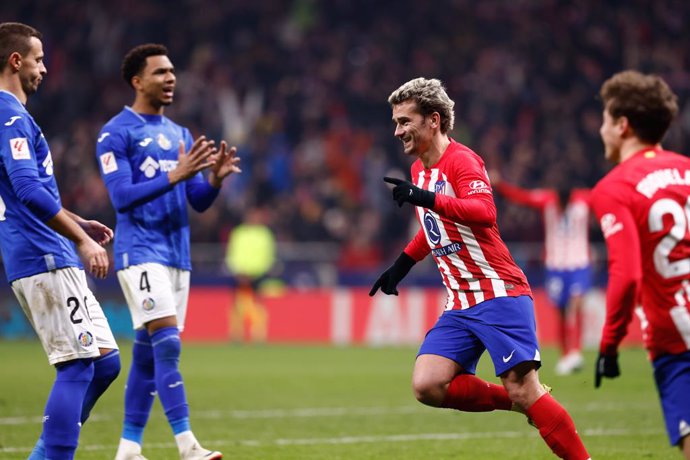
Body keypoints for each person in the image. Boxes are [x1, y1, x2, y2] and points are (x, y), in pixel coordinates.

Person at [370, 77, 590, 459]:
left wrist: (426, 198)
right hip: (460, 302)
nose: (397, 131)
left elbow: (485, 213)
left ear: (433, 120)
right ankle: (521, 402)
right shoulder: (422, 170)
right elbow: (434, 229)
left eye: (405, 121)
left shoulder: (462, 160)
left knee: (524, 387)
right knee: (428, 385)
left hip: (497, 292)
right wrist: (401, 266)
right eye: (396, 122)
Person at [96, 44, 241, 460]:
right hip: (139, 250)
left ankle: (127, 448)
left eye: (172, 71)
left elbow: (195, 201)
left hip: (178, 255)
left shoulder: (179, 135)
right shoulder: (115, 132)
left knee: (147, 353)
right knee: (169, 344)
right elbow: (122, 196)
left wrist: (211, 180)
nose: (171, 78)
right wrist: (176, 173)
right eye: (160, 72)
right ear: (137, 81)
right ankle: (187, 445)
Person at [0, 22, 121, 460]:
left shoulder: (14, 115)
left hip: (50, 249)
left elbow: (24, 194)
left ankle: (44, 453)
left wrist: (76, 221)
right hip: (42, 255)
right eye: (39, 59)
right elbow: (28, 190)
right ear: (16, 61)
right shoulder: (9, 115)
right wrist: (84, 243)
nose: (45, 68)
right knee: (77, 365)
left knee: (106, 362)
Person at [592, 70, 690, 457]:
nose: (600, 129)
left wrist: (610, 344)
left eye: (604, 119)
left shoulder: (615, 187)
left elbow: (627, 274)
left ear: (622, 125)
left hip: (678, 341)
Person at [490, 174, 592, 375]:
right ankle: (565, 356)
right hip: (555, 265)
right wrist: (500, 185)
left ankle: (576, 352)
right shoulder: (547, 201)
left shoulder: (584, 200)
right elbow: (522, 197)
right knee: (561, 311)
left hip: (579, 263)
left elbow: (606, 195)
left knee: (577, 303)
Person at [225, 206, 275, 343]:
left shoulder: (265, 234)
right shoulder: (239, 232)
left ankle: (258, 335)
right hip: (240, 274)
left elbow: (268, 255)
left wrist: (257, 272)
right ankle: (236, 334)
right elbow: (232, 253)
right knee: (237, 304)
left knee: (258, 305)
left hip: (258, 274)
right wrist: (238, 271)